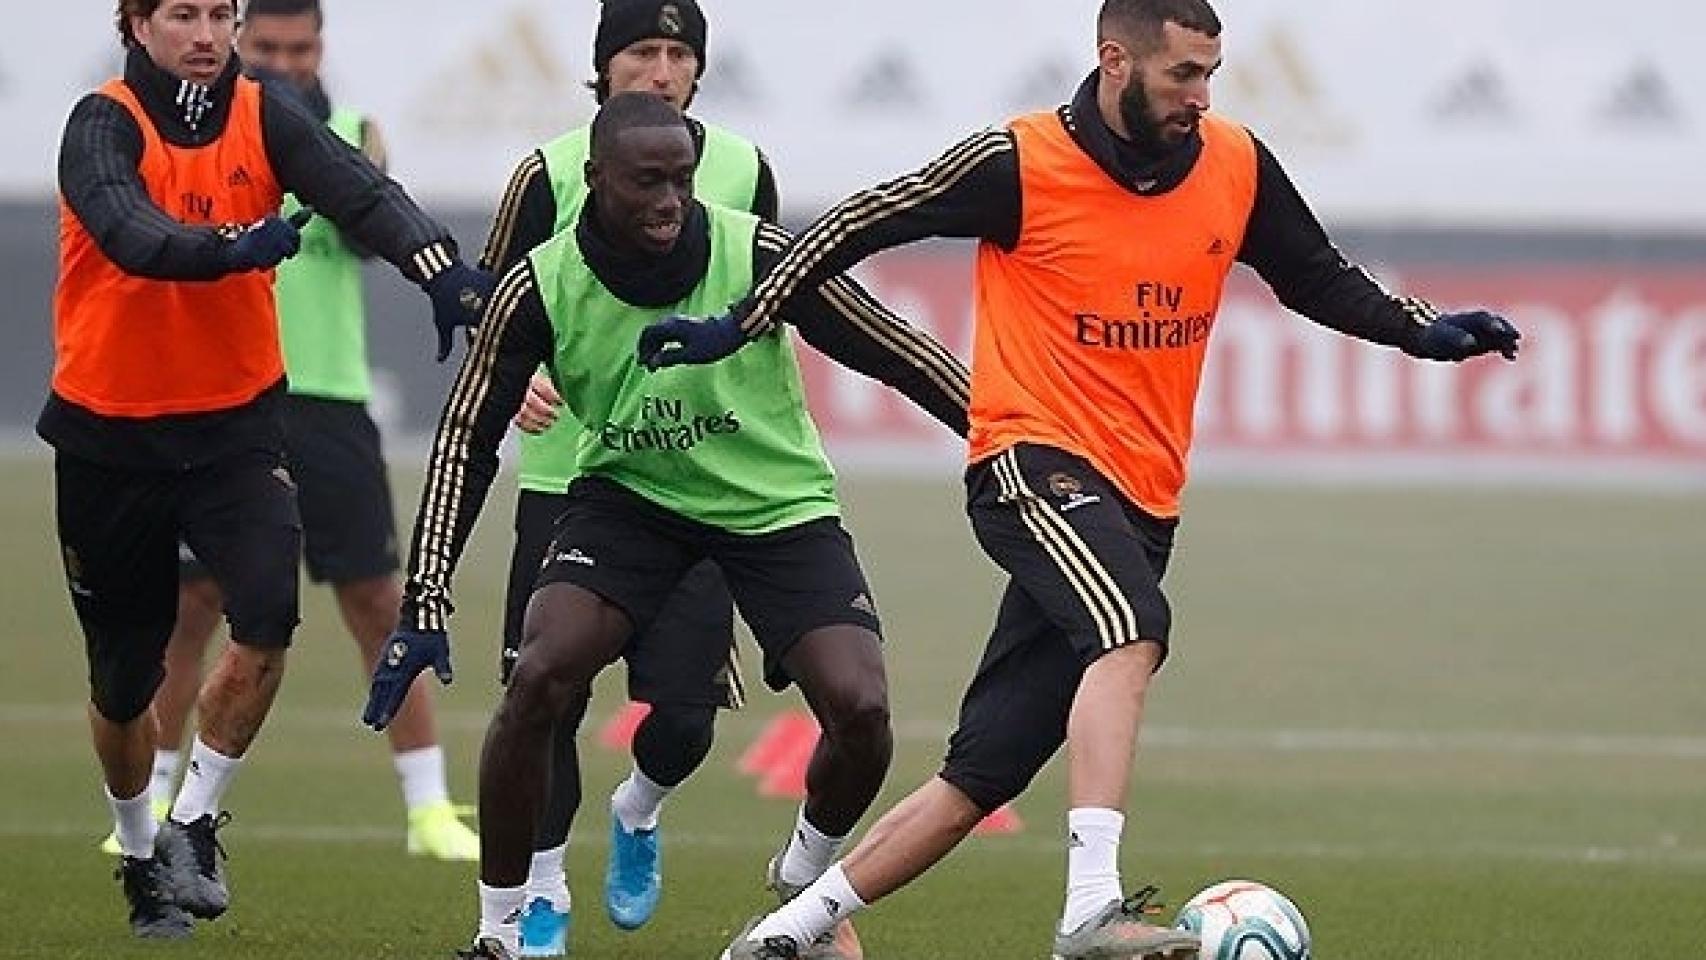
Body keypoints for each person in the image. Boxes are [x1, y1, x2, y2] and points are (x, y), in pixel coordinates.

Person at [637, 1, 1524, 957]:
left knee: (984, 774)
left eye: (1212, 73)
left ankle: (782, 934)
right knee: (1132, 627)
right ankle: (1089, 909)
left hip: (1144, 503)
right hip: (1031, 462)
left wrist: (1419, 330)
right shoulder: (1020, 163)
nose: (1202, 95)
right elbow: (862, 218)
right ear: (1115, 60)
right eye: (1184, 73)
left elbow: (1316, 276)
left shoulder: (1235, 164)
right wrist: (741, 318)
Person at [360, 91, 971, 960]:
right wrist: (425, 595)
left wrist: (1002, 436)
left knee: (862, 710)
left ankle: (804, 878)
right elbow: (464, 436)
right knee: (537, 676)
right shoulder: (539, 283)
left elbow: (893, 346)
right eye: (647, 181)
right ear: (595, 178)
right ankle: (499, 935)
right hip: (630, 503)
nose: (669, 200)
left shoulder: (754, 250)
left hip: (776, 507)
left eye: (680, 179)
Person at [49, 0, 492, 939]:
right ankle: (138, 848)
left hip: (236, 427)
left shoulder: (264, 111)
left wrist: (444, 269)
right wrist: (228, 250)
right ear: (136, 24)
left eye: (220, 13)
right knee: (122, 679)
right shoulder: (101, 121)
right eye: (184, 15)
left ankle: (197, 822)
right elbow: (130, 231)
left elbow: (360, 193)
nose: (206, 33)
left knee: (267, 612)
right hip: (110, 435)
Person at [475, 0, 784, 951]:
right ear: (604, 68)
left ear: (697, 69)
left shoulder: (742, 170)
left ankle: (639, 810)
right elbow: (496, 307)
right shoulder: (547, 171)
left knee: (687, 718)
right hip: (567, 480)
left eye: (677, 52)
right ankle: (543, 891)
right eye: (640, 51)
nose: (660, 67)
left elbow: (763, 309)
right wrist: (524, 377)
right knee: (544, 697)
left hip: (693, 480)